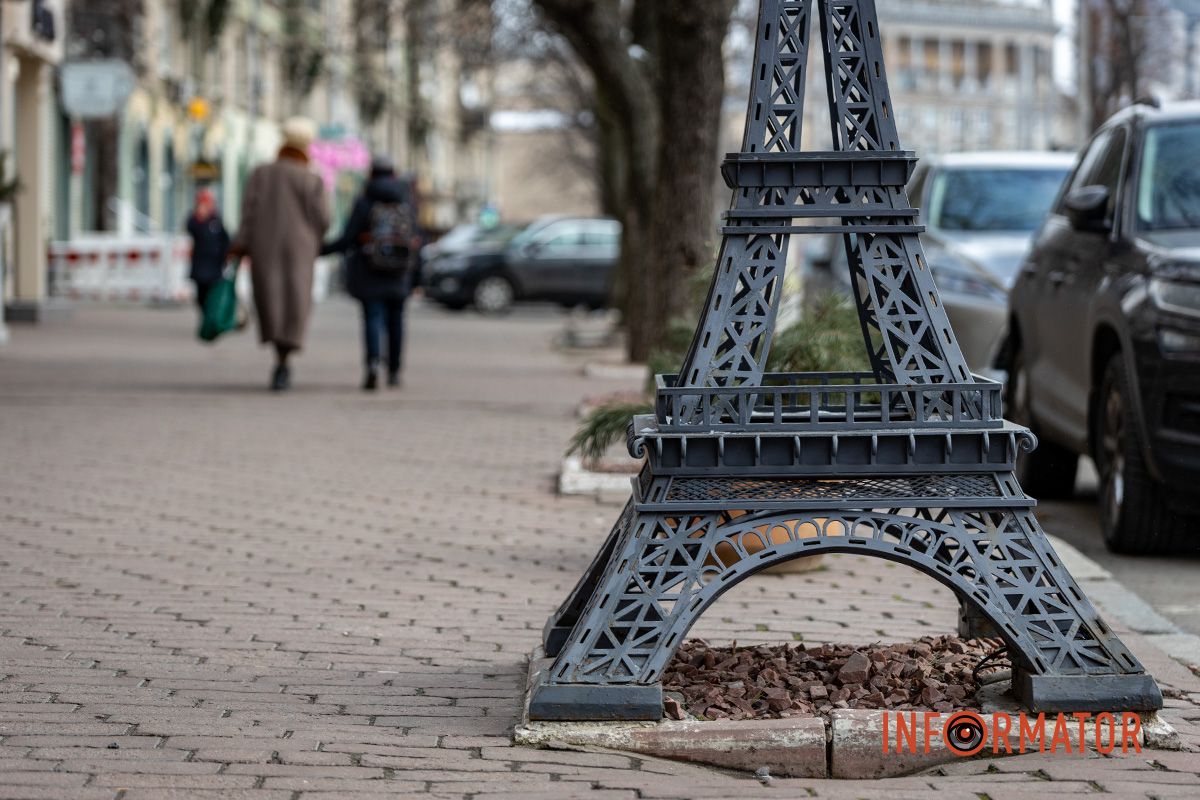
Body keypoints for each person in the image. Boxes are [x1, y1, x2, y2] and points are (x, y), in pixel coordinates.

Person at [230, 117, 331, 392]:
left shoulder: (261, 173)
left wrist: (241, 243)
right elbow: (323, 219)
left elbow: (248, 212)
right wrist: (313, 239)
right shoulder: (312, 178)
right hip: (301, 250)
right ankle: (285, 358)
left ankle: (279, 355)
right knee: (295, 302)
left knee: (271, 300)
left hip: (265, 248)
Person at [322, 156, 421, 391]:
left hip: (369, 272)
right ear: (393, 174)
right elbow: (418, 243)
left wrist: (320, 249)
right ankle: (395, 371)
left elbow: (347, 239)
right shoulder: (407, 202)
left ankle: (373, 364)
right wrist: (418, 279)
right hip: (400, 274)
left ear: (371, 174)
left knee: (372, 318)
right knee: (397, 321)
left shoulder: (364, 202)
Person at [185, 188, 230, 313]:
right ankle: (205, 315)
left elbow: (225, 239)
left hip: (215, 264)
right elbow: (190, 228)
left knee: (214, 294)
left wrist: (225, 256)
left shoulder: (216, 220)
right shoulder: (195, 220)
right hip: (200, 264)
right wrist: (199, 217)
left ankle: (211, 318)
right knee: (201, 295)